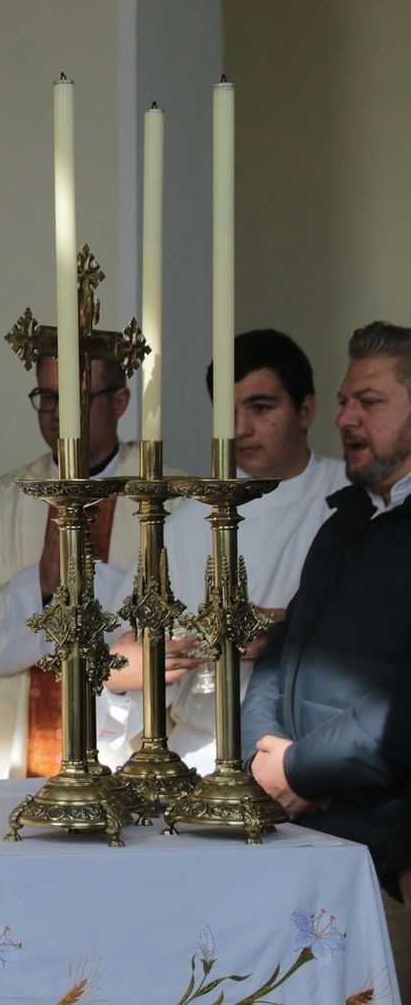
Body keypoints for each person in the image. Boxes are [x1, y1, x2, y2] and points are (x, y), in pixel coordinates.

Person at [242, 321, 411, 998]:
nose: (344, 419)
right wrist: (261, 752)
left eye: (368, 402)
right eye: (344, 401)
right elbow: (287, 647)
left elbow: (402, 707)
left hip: (384, 853)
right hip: (305, 837)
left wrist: (300, 768)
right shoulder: (345, 522)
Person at [104, 330, 347, 774]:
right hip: (201, 755)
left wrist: (287, 632)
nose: (239, 429)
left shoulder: (352, 500)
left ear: (306, 410)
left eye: (260, 408)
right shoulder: (186, 519)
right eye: (227, 411)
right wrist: (120, 677)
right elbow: (125, 660)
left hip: (313, 755)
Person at [0, 355, 149, 779]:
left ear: (120, 401)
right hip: (22, 757)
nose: (58, 414)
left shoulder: (165, 497)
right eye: (47, 397)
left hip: (131, 756)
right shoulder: (6, 501)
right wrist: (39, 587)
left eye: (76, 398)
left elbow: (192, 622)